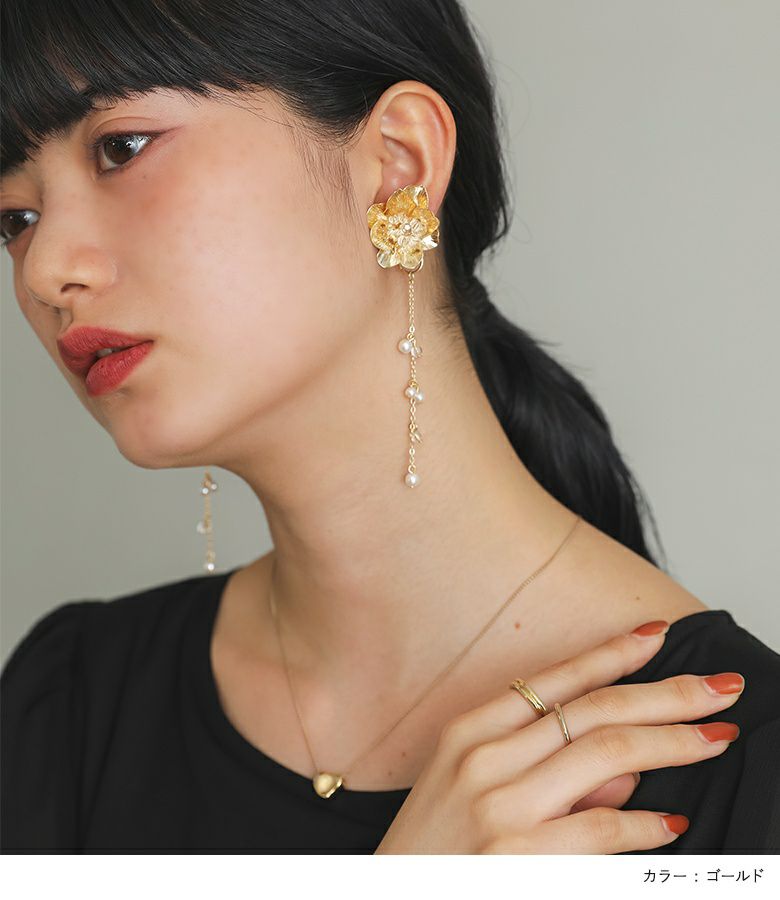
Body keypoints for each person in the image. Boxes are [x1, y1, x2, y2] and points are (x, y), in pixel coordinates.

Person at [1, 0, 778, 854]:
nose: (45, 272)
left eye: (121, 148)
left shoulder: (743, 773)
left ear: (398, 163)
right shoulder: (66, 703)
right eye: (15, 218)